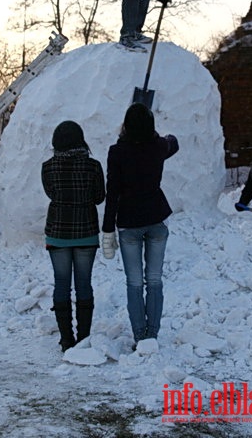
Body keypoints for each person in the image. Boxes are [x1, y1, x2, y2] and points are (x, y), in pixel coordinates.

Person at [102, 103, 179, 346]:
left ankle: (139, 334)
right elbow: (173, 142)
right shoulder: (158, 147)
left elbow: (112, 192)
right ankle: (152, 334)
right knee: (154, 279)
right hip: (156, 219)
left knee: (134, 282)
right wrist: (163, 136)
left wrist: (107, 229)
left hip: (129, 223)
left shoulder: (117, 152)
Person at [41, 121, 105, 352]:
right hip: (86, 232)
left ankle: (66, 339)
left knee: (61, 283)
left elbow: (50, 193)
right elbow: (99, 197)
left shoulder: (48, 167)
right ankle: (84, 337)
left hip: (57, 233)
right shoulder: (93, 166)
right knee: (83, 284)